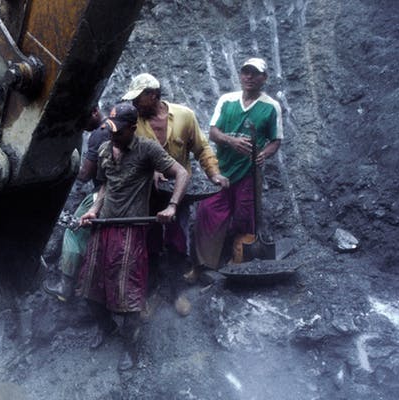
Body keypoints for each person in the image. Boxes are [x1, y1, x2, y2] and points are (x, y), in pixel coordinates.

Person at [74, 102, 188, 370]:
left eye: (119, 131)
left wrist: (171, 206)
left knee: (127, 296)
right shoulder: (104, 149)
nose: (113, 135)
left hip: (131, 229)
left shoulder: (147, 149)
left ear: (132, 129)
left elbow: (181, 173)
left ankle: (131, 347)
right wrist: (92, 209)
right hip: (104, 226)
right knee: (90, 288)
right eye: (111, 129)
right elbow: (104, 186)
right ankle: (106, 329)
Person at [121, 73, 229, 278]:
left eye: (138, 98)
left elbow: (202, 148)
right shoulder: (133, 121)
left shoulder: (184, 115)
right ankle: (152, 284)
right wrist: (150, 170)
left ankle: (176, 288)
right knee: (148, 238)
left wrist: (214, 174)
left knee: (177, 236)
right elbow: (126, 154)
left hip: (179, 190)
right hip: (147, 191)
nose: (134, 102)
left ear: (153, 95)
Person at [193, 57, 283, 270]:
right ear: (240, 75)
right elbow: (213, 133)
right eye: (245, 72)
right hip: (222, 170)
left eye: (255, 73)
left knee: (245, 216)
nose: (249, 77)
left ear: (264, 78)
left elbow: (276, 141)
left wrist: (264, 154)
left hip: (249, 173)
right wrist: (231, 141)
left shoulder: (271, 107)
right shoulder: (227, 100)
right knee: (208, 212)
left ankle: (239, 264)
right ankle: (204, 265)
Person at [42, 104, 106, 301]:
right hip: (122, 191)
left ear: (95, 112)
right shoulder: (115, 128)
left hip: (105, 191)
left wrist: (64, 166)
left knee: (73, 231)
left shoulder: (99, 135)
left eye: (83, 120)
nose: (80, 126)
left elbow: (85, 174)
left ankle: (65, 287)